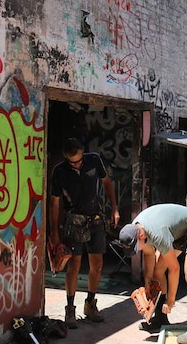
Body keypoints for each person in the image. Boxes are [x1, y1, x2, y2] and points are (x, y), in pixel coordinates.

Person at [49, 137, 120, 328]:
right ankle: (70, 308)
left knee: (97, 265)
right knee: (74, 265)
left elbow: (106, 182)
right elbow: (55, 203)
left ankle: (90, 304)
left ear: (83, 153)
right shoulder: (59, 172)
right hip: (74, 222)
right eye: (73, 162)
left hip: (95, 219)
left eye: (79, 160)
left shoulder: (94, 160)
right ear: (66, 158)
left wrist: (114, 208)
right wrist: (54, 231)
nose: (77, 164)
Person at [119, 203, 187, 344]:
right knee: (157, 271)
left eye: (136, 248)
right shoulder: (134, 229)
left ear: (141, 235)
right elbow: (149, 254)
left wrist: (171, 300)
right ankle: (161, 317)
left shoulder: (157, 233)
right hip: (177, 232)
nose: (137, 251)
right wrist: (148, 280)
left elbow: (174, 269)